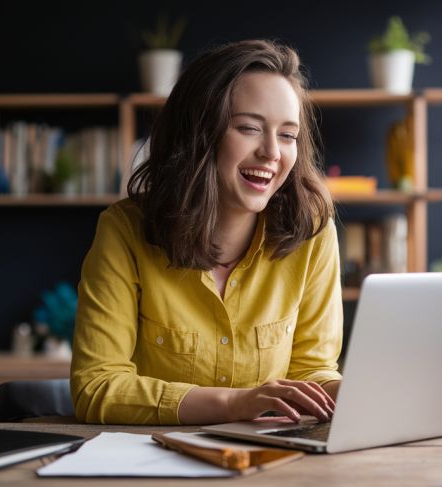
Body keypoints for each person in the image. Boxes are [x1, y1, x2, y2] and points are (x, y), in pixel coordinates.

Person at [71, 39, 343, 425]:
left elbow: (311, 374)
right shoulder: (125, 231)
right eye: (249, 128)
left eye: (287, 135)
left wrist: (358, 392)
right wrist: (234, 404)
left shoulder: (312, 234)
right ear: (198, 134)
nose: (272, 153)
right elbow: (95, 387)